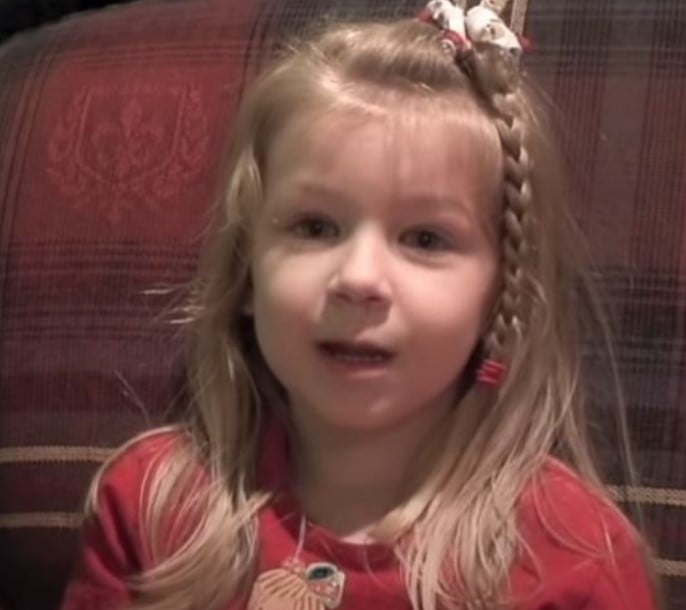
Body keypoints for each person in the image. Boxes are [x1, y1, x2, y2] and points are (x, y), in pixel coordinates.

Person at [60, 1, 660, 609]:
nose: (359, 278)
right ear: (246, 274)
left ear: (501, 296)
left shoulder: (578, 561)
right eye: (315, 227)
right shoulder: (152, 508)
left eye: (425, 239)